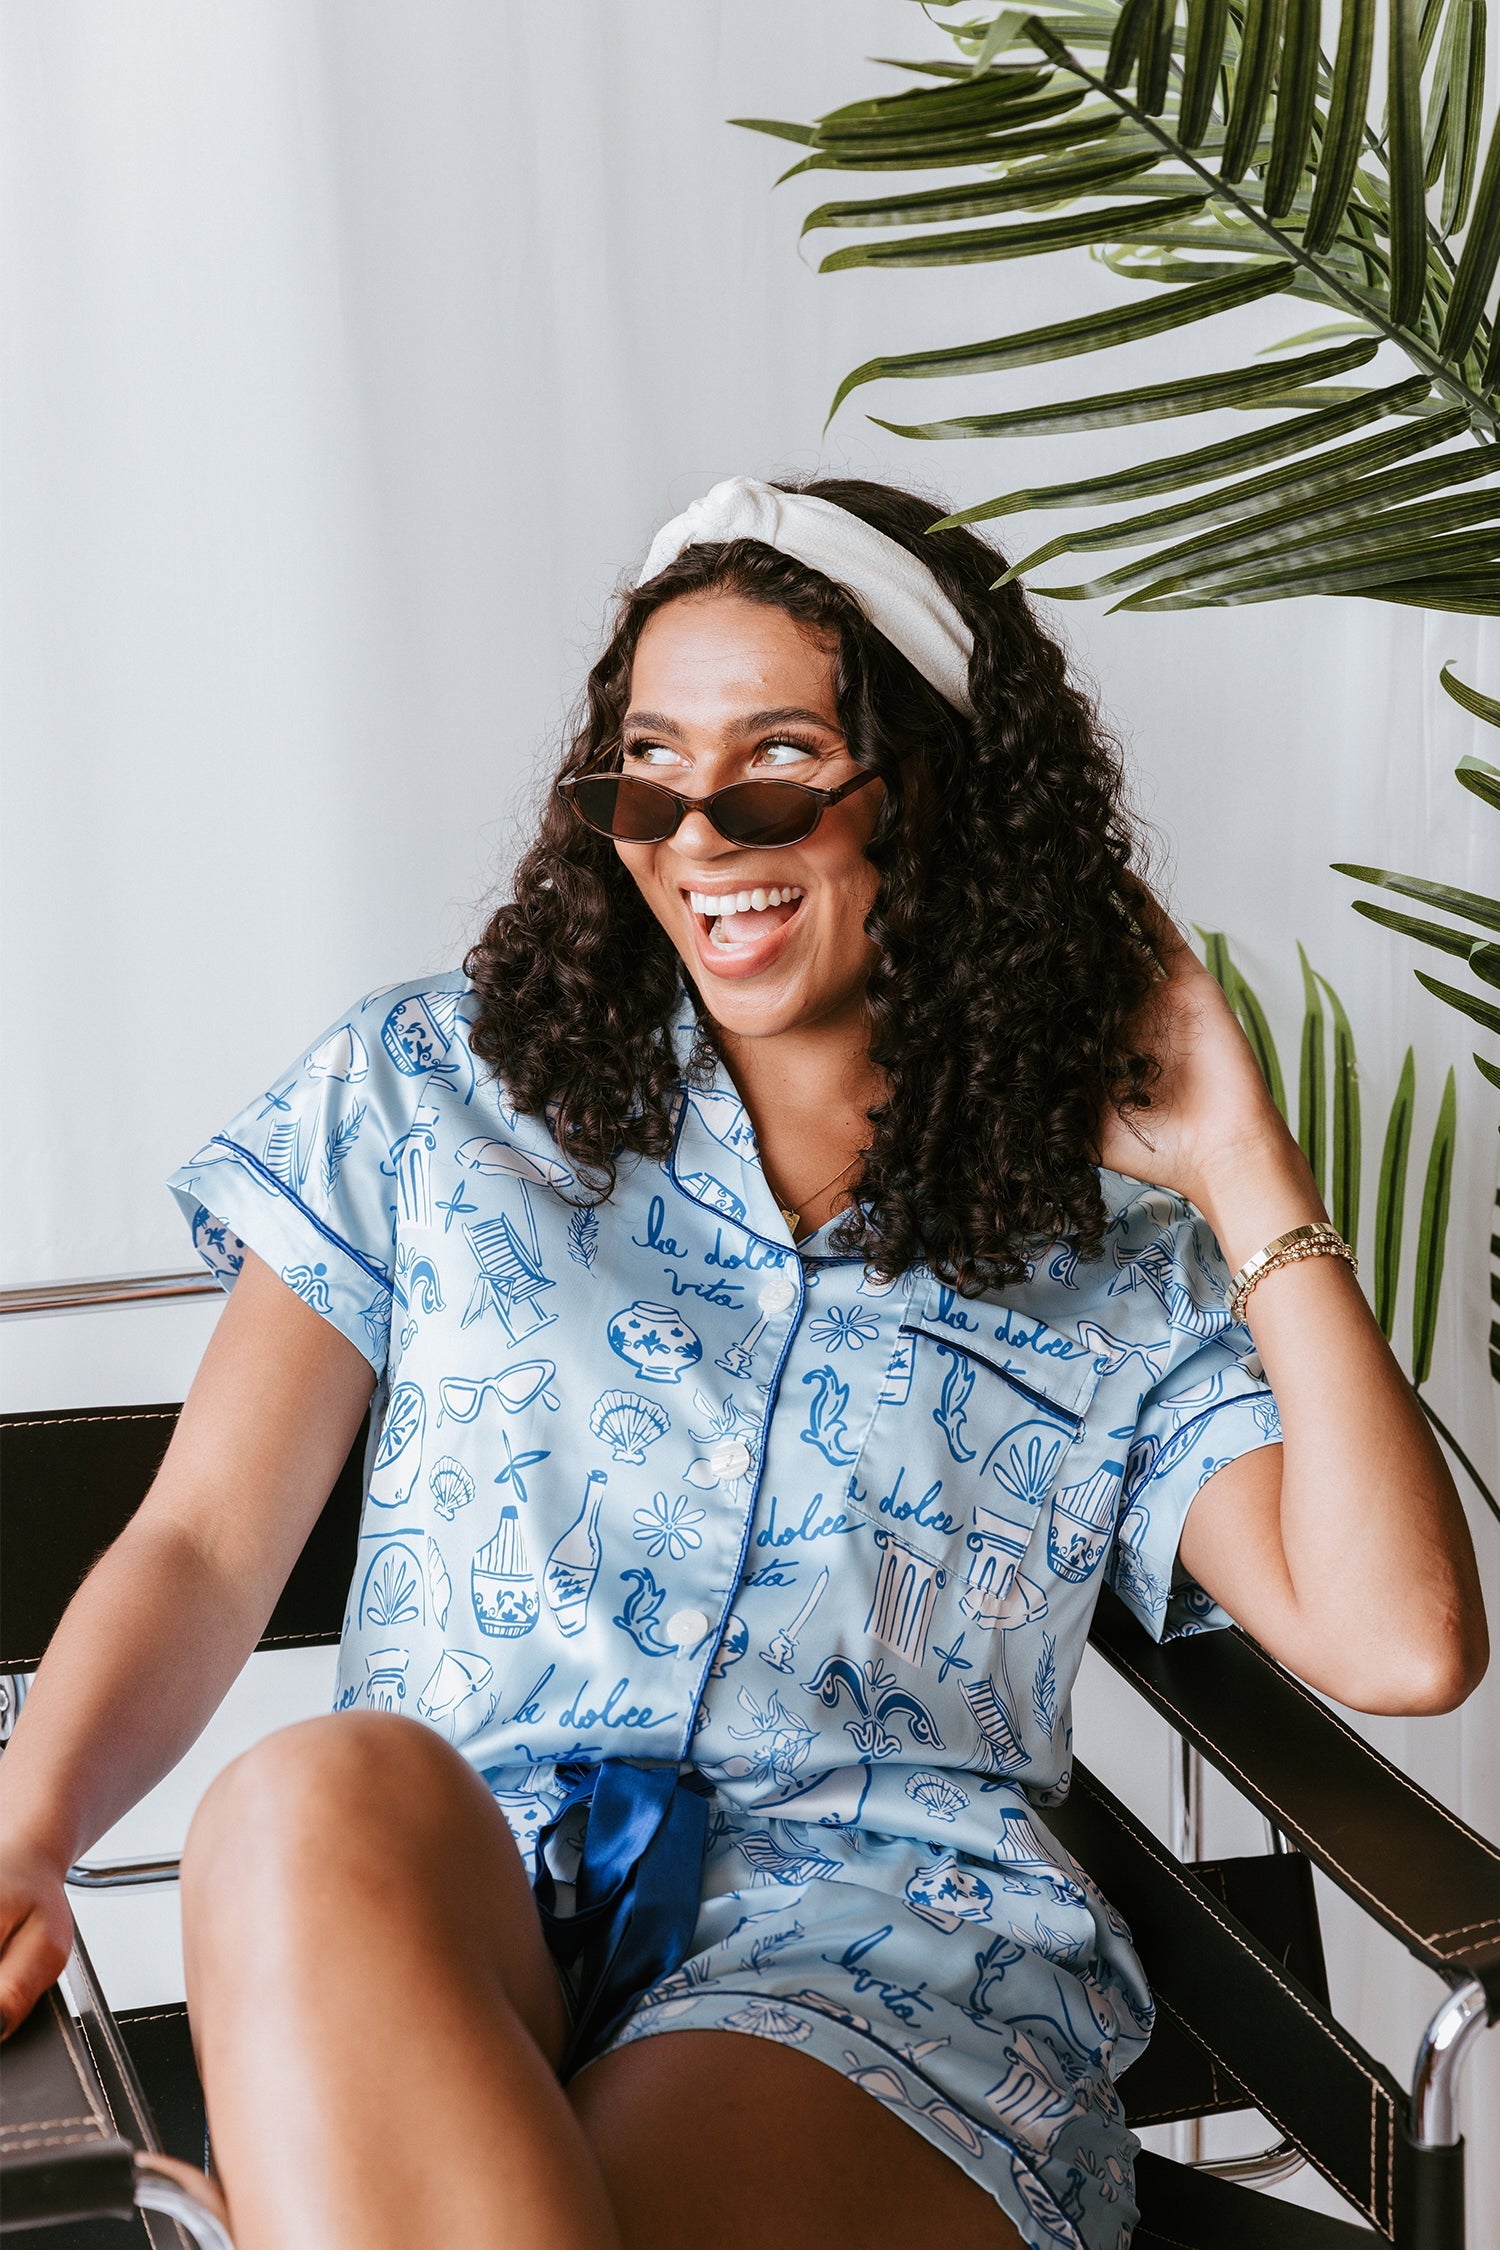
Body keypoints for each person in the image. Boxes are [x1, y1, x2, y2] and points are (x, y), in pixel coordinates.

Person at [0, 475, 1486, 2250]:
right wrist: (25, 1830)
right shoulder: (434, 1094)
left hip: (870, 1967)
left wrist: (1243, 1157)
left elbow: (1405, 1640)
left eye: (778, 761)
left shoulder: (1108, 1264)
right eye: (650, 768)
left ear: (932, 791)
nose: (701, 833)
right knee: (295, 1800)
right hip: (462, 1887)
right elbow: (200, 1541)